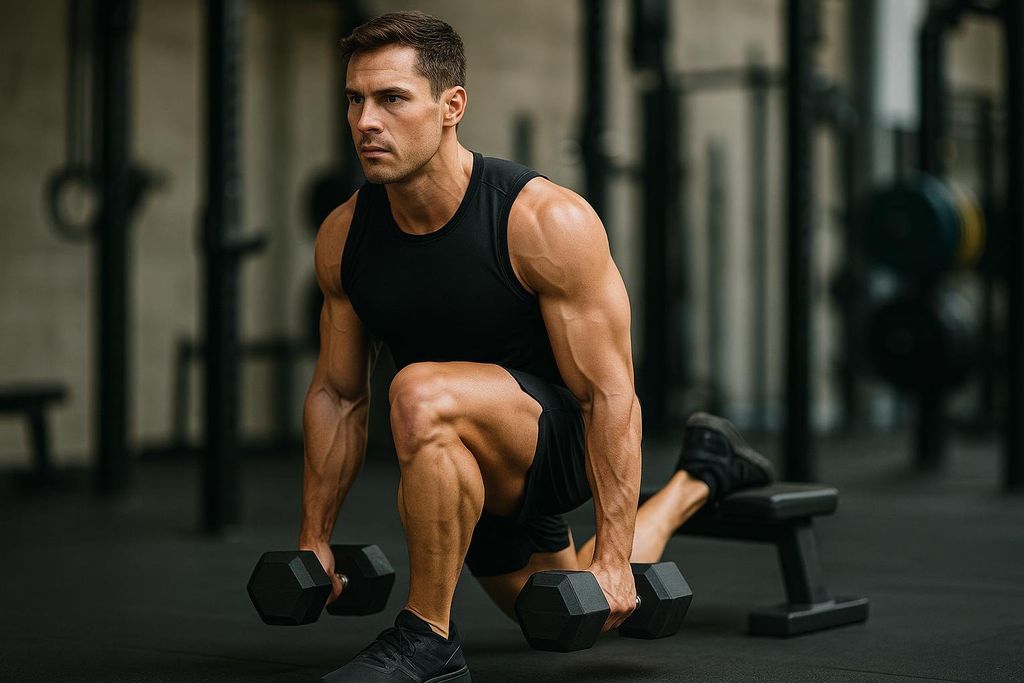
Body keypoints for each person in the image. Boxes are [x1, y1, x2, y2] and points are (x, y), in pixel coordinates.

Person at [299, 11, 774, 682]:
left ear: (450, 107)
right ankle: (702, 475)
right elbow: (339, 394)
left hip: (558, 445)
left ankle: (426, 638)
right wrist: (314, 538)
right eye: (355, 99)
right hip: (462, 455)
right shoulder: (344, 238)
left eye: (392, 98)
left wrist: (614, 554)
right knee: (558, 615)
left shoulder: (544, 220)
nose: (365, 121)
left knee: (418, 391)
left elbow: (609, 393)